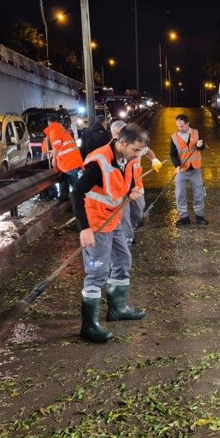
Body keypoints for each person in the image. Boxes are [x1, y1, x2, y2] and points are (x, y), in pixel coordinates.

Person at [71, 123, 149, 343]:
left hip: (114, 220)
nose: (138, 155)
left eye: (140, 151)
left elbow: (125, 182)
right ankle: (89, 326)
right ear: (122, 142)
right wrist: (85, 228)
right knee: (98, 272)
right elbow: (77, 193)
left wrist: (132, 190)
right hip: (96, 224)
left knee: (123, 260)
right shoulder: (99, 162)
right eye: (135, 150)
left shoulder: (127, 159)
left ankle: (118, 309)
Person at [110, 120, 162, 243]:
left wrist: (154, 160)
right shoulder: (112, 151)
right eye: (117, 134)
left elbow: (147, 151)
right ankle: (127, 238)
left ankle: (130, 231)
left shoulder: (135, 144)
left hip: (137, 186)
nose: (120, 137)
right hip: (121, 190)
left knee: (138, 212)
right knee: (124, 216)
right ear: (113, 134)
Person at [169, 114, 207, 226]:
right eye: (178, 126)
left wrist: (200, 145)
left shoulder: (196, 132)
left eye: (181, 126)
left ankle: (199, 216)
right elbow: (173, 154)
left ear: (187, 124)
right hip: (182, 170)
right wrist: (177, 166)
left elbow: (203, 147)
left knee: (199, 193)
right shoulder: (174, 137)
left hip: (195, 169)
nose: (179, 128)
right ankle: (184, 217)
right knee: (180, 194)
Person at [44, 114, 84, 202]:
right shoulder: (62, 129)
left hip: (68, 163)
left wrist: (54, 159)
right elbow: (63, 145)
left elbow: (57, 146)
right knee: (75, 183)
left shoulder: (53, 130)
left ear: (48, 123)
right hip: (74, 160)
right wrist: (54, 152)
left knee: (77, 188)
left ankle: (81, 203)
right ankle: (68, 198)